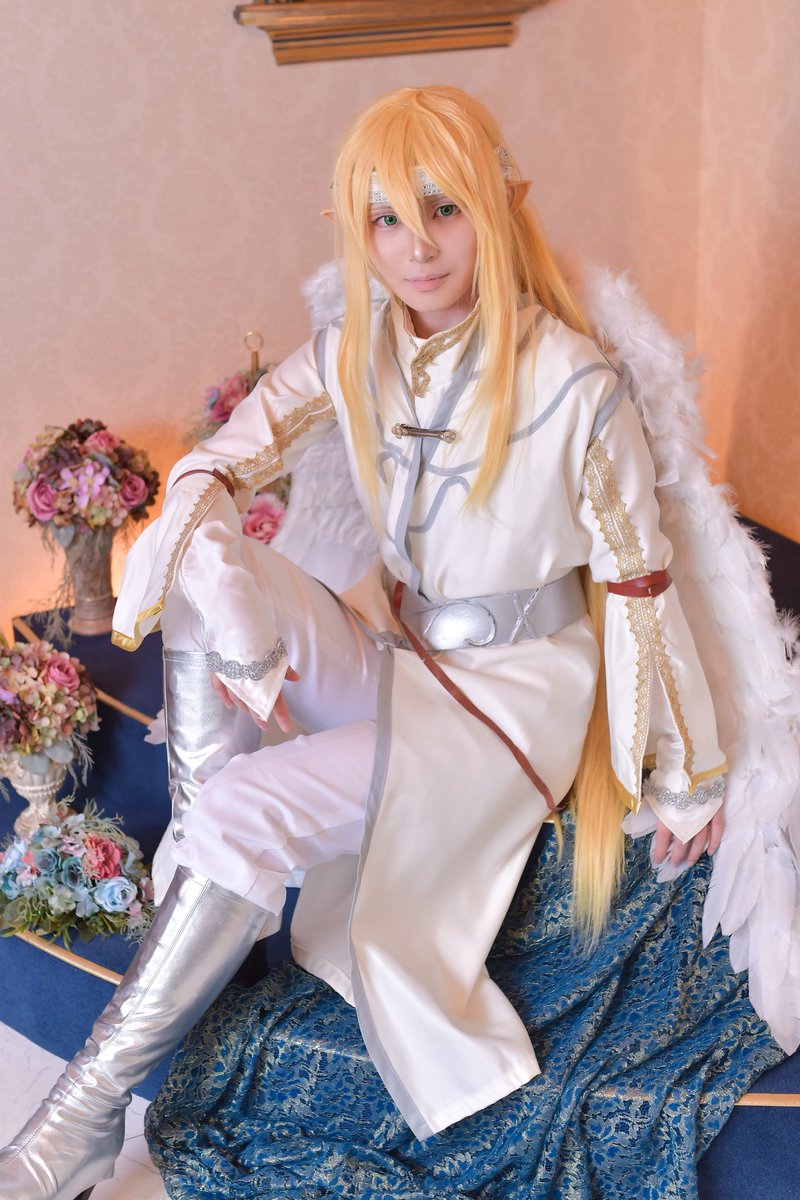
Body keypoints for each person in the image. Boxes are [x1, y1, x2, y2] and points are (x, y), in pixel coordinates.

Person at [0, 85, 730, 1200]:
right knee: (202, 566)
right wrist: (237, 619)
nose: (416, 246)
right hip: (398, 653)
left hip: (507, 700)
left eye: (443, 208)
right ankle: (211, 883)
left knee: (245, 808)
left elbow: (639, 582)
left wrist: (685, 773)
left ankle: (79, 1118)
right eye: (386, 218)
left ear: (499, 204)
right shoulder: (358, 346)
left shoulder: (574, 384)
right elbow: (209, 473)